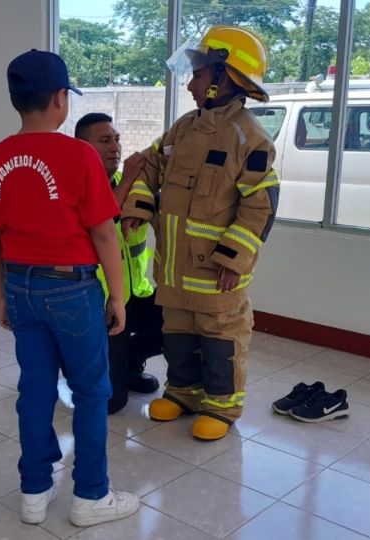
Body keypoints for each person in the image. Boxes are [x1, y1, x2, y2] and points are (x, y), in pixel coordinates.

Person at [0, 50, 139, 527]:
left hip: (20, 285)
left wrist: (1, 295)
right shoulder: (79, 155)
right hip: (72, 289)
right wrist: (118, 294)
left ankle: (34, 489)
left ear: (15, 100)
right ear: (60, 99)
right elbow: (105, 233)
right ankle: (90, 496)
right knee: (91, 391)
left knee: (35, 389)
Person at [118, 26, 280, 441]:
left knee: (219, 339)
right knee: (178, 333)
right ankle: (183, 392)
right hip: (172, 268)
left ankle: (222, 406)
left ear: (223, 79)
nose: (190, 84)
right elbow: (150, 167)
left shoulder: (250, 138)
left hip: (215, 273)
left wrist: (234, 259)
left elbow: (261, 205)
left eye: (198, 75)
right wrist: (137, 206)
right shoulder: (183, 128)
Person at [74, 112, 161, 414]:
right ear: (83, 148)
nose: (115, 147)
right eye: (104, 141)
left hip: (133, 295)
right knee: (112, 403)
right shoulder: (75, 185)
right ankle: (76, 364)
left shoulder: (129, 184)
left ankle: (128, 363)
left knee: (177, 322)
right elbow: (100, 223)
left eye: (117, 139)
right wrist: (125, 185)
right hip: (97, 303)